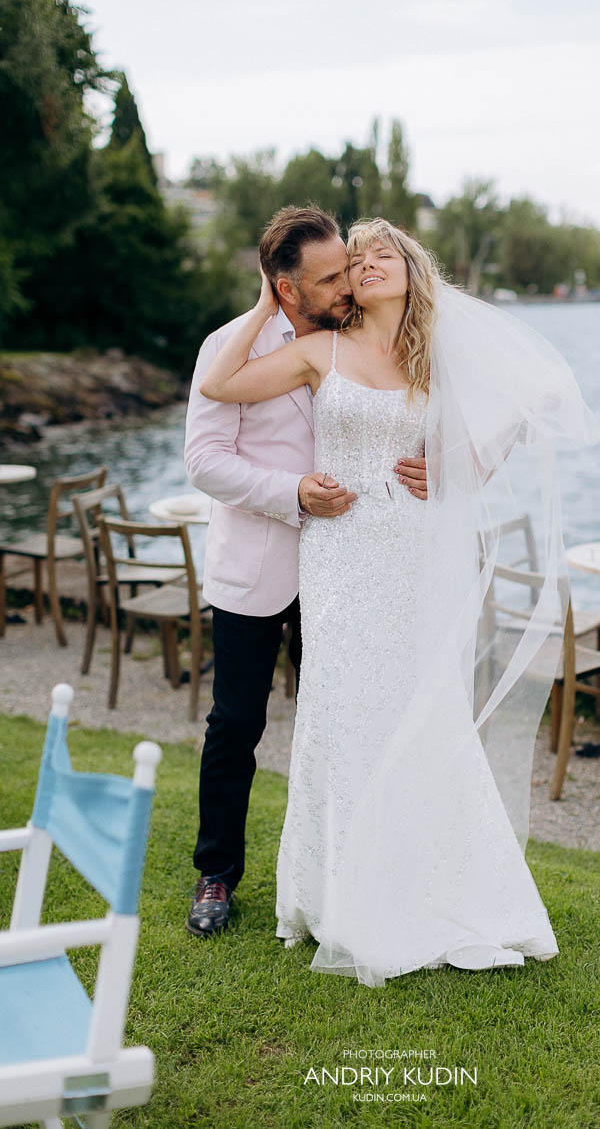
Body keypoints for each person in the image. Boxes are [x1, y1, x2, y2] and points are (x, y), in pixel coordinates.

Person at [200, 218, 596, 986]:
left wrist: (451, 463)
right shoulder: (320, 351)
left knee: (420, 711)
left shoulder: (433, 358)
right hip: (340, 557)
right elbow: (219, 386)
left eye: (382, 254)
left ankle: (440, 890)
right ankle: (339, 897)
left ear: (413, 271)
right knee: (342, 713)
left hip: (412, 554)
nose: (367, 265)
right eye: (357, 259)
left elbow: (527, 400)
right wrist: (262, 300)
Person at [183, 207, 427, 937]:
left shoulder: (356, 337)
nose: (347, 284)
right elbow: (205, 462)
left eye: (349, 269)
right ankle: (217, 876)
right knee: (235, 725)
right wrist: (292, 494)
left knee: (347, 719)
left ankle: (347, 870)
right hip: (257, 570)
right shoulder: (229, 347)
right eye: (330, 278)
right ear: (287, 289)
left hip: (351, 567)